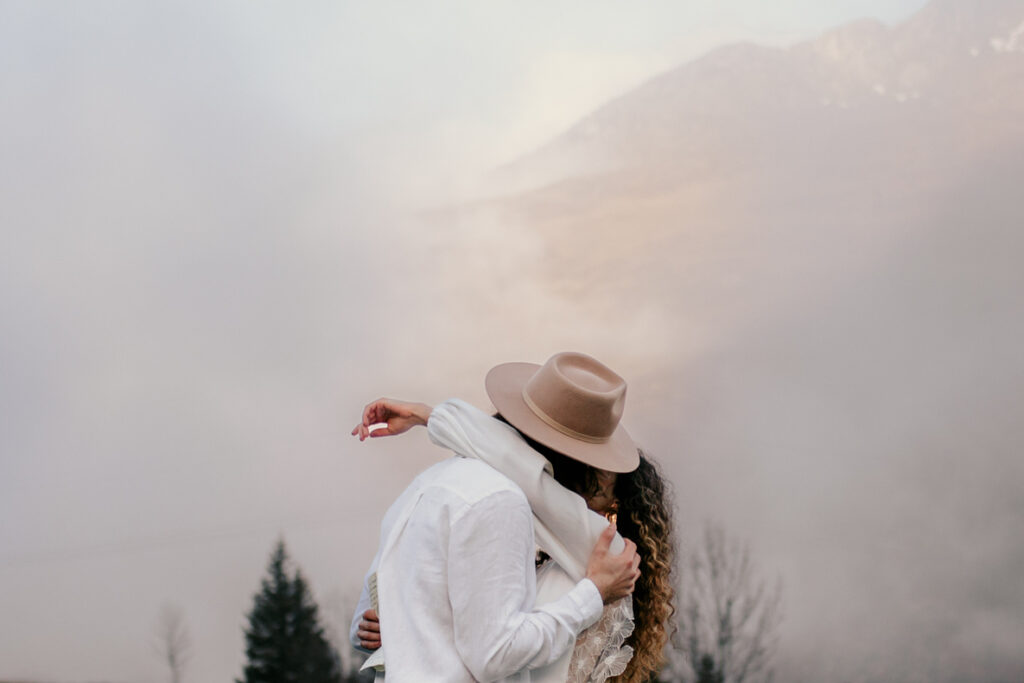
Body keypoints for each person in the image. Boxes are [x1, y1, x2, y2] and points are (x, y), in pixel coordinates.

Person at [353, 352, 675, 682]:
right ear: (580, 465)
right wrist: (593, 593)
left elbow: (365, 620)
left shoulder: (425, 486)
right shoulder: (502, 501)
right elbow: (495, 655)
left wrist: (432, 417)